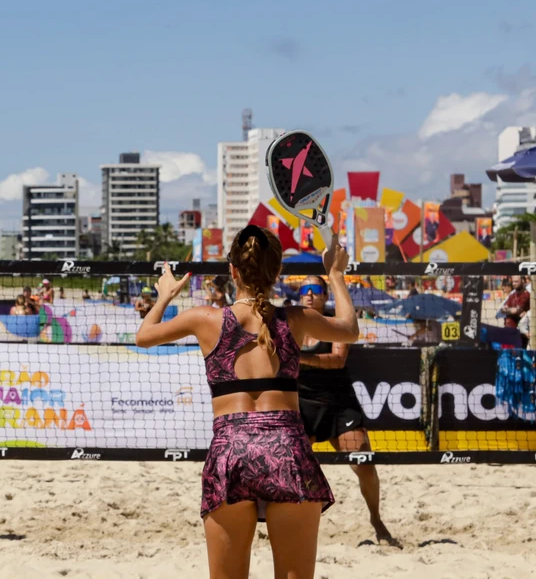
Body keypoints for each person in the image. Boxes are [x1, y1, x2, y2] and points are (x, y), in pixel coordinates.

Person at [135, 226, 357, 578]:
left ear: (233, 271)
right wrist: (335, 275)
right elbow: (349, 328)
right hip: (287, 449)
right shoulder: (294, 319)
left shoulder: (206, 319)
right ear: (278, 272)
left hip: (231, 451)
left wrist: (165, 295)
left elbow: (144, 336)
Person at [297, 276, 398, 546]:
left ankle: (375, 518)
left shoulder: (333, 322)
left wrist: (298, 358)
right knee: (292, 464)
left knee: (363, 459)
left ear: (325, 295)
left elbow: (337, 360)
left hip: (338, 403)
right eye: (303, 290)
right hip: (303, 404)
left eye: (315, 290)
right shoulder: (290, 323)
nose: (308, 294)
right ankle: (294, 524)